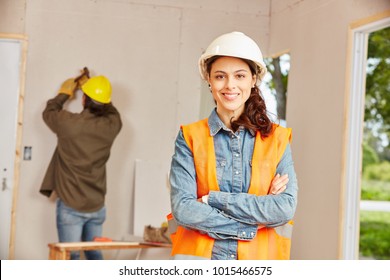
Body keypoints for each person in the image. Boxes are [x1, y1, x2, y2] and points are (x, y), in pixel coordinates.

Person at [168, 31, 298, 260]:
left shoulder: (277, 139)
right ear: (209, 79)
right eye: (220, 76)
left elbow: (284, 208)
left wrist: (211, 200)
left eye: (239, 76)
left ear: (253, 80)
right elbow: (184, 209)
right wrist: (251, 221)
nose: (230, 85)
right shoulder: (189, 137)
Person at [40, 72, 122, 260]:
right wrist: (99, 94)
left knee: (71, 258)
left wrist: (65, 92)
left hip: (70, 206)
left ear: (84, 100)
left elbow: (49, 112)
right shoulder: (112, 125)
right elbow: (112, 111)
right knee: (94, 254)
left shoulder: (69, 124)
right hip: (97, 206)